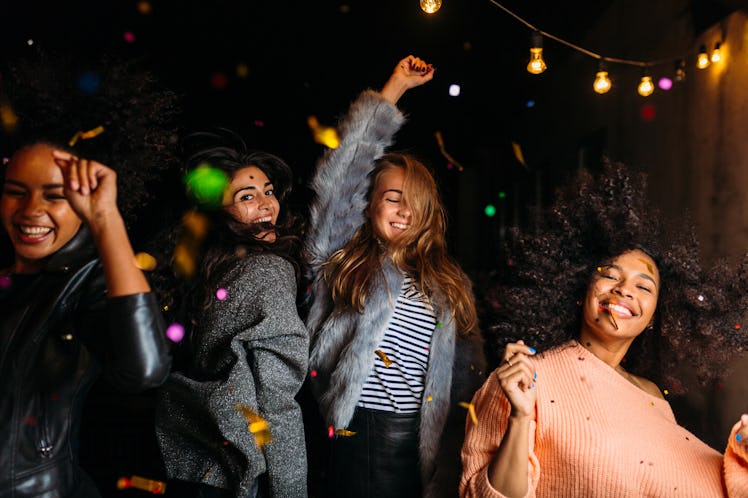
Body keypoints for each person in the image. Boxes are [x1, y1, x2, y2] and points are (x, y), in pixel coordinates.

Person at [460, 160, 748, 497]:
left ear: (656, 315)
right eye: (609, 275)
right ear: (581, 290)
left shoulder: (654, 398)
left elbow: (682, 480)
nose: (624, 289)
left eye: (644, 287)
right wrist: (521, 417)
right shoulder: (524, 378)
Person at [304, 55, 487, 498]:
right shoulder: (342, 256)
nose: (405, 210)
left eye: (416, 202)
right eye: (392, 198)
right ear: (368, 205)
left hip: (425, 440)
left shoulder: (447, 283)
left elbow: (467, 372)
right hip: (360, 431)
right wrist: (395, 89)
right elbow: (343, 175)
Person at [0, 141, 172, 497]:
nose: (31, 209)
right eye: (16, 192)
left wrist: (104, 217)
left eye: (55, 196)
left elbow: (145, 370)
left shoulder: (84, 286)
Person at [154, 129, 309, 498]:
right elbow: (277, 398)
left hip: (183, 461)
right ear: (217, 214)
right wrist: (290, 491)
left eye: (269, 192)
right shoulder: (268, 271)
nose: (267, 204)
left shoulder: (198, 275)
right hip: (236, 470)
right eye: (247, 197)